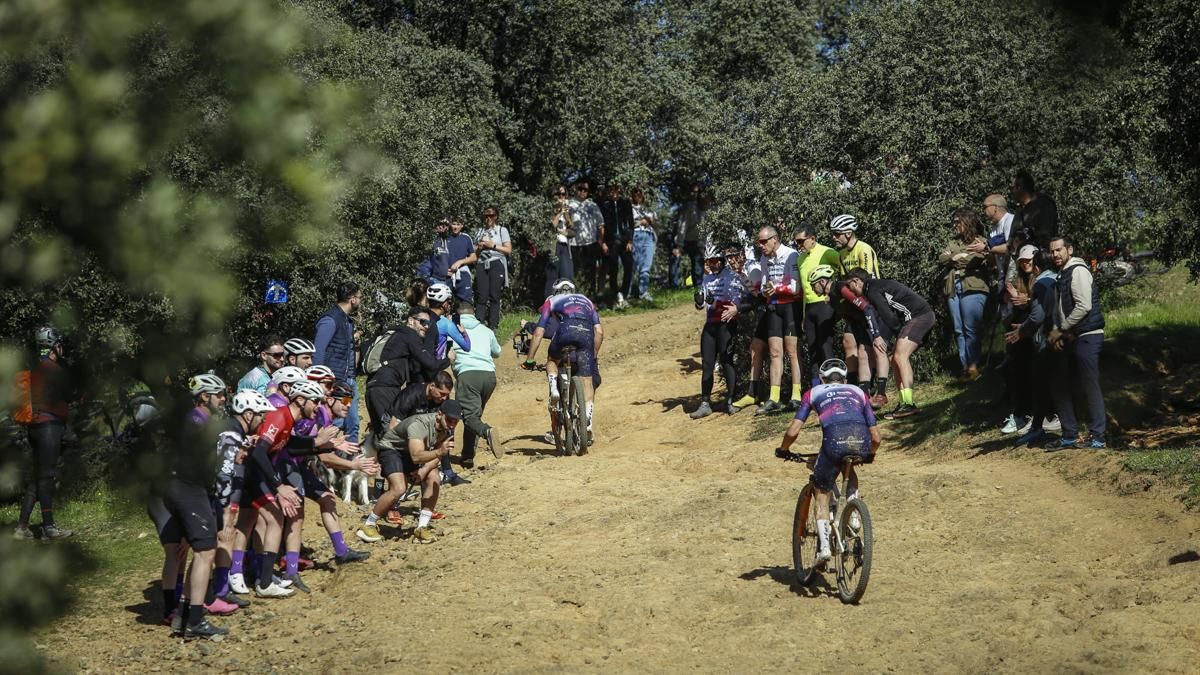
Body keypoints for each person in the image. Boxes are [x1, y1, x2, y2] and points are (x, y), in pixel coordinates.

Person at [774, 359, 881, 563]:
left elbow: (793, 430)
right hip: (860, 439)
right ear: (845, 379)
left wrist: (783, 449)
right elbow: (876, 437)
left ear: (821, 379)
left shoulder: (813, 393)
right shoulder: (859, 392)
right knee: (848, 466)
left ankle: (824, 547)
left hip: (833, 441)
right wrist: (870, 454)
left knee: (821, 492)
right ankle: (854, 512)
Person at [148, 373, 230, 639]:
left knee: (196, 551)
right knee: (206, 552)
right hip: (188, 488)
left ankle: (183, 614)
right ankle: (195, 620)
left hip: (184, 487)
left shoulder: (196, 420)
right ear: (204, 397)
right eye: (219, 394)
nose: (223, 399)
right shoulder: (197, 420)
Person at [357, 400, 463, 545]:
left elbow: (437, 455)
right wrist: (439, 452)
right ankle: (368, 524)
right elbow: (417, 455)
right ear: (439, 414)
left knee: (434, 478)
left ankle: (422, 528)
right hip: (391, 450)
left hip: (409, 454)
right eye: (449, 420)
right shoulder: (419, 425)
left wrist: (424, 469)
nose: (452, 424)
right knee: (399, 488)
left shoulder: (447, 429)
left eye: (455, 421)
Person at [844, 268, 935, 419]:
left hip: (919, 316)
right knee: (894, 359)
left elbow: (889, 317)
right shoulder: (874, 287)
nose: (850, 291)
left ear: (856, 281)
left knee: (900, 356)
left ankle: (908, 404)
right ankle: (904, 402)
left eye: (849, 286)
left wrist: (898, 335)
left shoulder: (872, 290)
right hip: (917, 317)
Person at [1046, 236, 1107, 450]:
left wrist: (1061, 330)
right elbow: (1060, 309)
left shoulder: (1078, 270)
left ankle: (1098, 437)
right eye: (1052, 251)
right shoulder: (1061, 274)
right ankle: (1070, 435)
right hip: (1074, 336)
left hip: (1088, 335)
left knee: (1089, 385)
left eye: (1059, 250)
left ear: (1069, 250)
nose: (1055, 254)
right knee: (1060, 383)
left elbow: (1083, 307)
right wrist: (1059, 332)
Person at [731, 224, 799, 415]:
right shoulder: (763, 258)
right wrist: (765, 289)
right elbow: (762, 287)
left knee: (792, 352)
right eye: (758, 242)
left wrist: (775, 288)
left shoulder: (791, 255)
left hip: (790, 306)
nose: (760, 245)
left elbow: (796, 287)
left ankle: (796, 396)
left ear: (774, 240)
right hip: (773, 307)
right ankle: (774, 397)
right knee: (775, 352)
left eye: (763, 241)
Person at [525, 281, 604, 441]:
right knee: (587, 381)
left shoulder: (552, 301)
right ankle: (587, 423)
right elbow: (599, 331)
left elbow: (539, 332)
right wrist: (593, 355)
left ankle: (554, 388)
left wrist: (530, 359)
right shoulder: (587, 301)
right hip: (585, 335)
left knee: (552, 360)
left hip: (565, 332)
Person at [15, 326, 74, 540]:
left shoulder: (35, 369)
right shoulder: (54, 369)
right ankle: (50, 528)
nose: (61, 348)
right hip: (50, 427)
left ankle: (21, 528)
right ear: (53, 346)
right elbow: (68, 395)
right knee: (47, 477)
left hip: (34, 427)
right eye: (59, 344)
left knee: (38, 477)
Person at [830, 215, 888, 406]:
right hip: (855, 305)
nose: (834, 238)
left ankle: (880, 391)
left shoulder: (864, 249)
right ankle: (860, 389)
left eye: (837, 234)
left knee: (872, 348)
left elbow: (868, 279)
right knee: (854, 344)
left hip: (871, 303)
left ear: (848, 233)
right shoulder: (841, 255)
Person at [1003, 246, 1059, 445]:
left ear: (1036, 265)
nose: (1026, 264)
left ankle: (1046, 421)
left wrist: (1022, 326)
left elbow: (1038, 314)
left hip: (1043, 337)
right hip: (1032, 337)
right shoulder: (1040, 280)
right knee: (1031, 378)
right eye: (1022, 260)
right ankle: (1036, 421)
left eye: (1029, 260)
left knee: (1044, 380)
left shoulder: (1043, 282)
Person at [364, 306, 447, 435]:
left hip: (373, 388)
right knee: (390, 435)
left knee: (379, 436)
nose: (426, 327)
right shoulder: (410, 335)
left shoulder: (395, 332)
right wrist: (449, 360)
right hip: (385, 388)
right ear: (411, 321)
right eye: (423, 322)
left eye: (429, 324)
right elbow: (430, 364)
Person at [690, 245, 751, 419]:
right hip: (710, 326)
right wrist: (699, 302)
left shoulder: (733, 276)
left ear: (722, 261)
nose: (712, 264)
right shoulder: (707, 279)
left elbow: (741, 301)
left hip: (726, 324)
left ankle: (731, 400)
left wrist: (717, 303)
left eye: (715, 260)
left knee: (726, 361)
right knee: (708, 364)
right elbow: (702, 305)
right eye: (709, 261)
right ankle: (705, 402)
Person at [939, 208, 992, 381]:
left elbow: (979, 259)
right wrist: (959, 256)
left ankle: (973, 366)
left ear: (967, 222)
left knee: (971, 328)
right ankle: (965, 367)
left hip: (973, 286)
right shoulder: (952, 242)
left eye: (957, 222)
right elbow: (942, 258)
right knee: (958, 330)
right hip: (953, 287)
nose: (954, 225)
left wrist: (956, 258)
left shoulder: (981, 241)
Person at [450, 304, 502, 467]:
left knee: (469, 416)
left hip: (467, 375)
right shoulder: (486, 330)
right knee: (473, 415)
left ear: (457, 315)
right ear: (474, 314)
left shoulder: (452, 329)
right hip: (489, 376)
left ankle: (487, 431)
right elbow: (497, 352)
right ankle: (467, 456)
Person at [793, 222, 842, 390]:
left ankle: (835, 386)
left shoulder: (826, 252)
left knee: (825, 346)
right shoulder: (800, 258)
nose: (799, 245)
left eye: (801, 241)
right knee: (812, 350)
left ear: (812, 239)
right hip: (810, 309)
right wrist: (804, 314)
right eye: (796, 242)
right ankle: (816, 389)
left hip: (825, 305)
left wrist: (835, 293)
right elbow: (805, 289)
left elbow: (844, 266)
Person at [314, 281, 361, 443]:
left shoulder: (347, 321)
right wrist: (319, 381)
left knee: (352, 422)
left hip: (348, 382)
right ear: (352, 299)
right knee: (336, 422)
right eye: (359, 297)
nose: (360, 301)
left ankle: (351, 462)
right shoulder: (330, 320)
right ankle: (329, 457)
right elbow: (319, 351)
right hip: (335, 383)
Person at [474, 206, 512, 330]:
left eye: (491, 215)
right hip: (481, 263)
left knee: (495, 296)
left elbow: (508, 250)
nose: (488, 218)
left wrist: (493, 245)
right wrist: (479, 248)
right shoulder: (479, 231)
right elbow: (473, 252)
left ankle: (493, 326)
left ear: (496, 217)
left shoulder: (502, 230)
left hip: (496, 262)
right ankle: (478, 325)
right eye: (486, 216)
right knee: (481, 296)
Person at [599, 183, 635, 309]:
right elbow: (601, 225)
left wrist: (630, 240)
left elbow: (631, 223)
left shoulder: (625, 203)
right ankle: (615, 295)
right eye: (611, 189)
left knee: (629, 265)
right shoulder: (604, 205)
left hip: (624, 240)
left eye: (616, 189)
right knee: (613, 269)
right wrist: (602, 242)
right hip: (611, 241)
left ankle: (624, 294)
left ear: (619, 190)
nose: (614, 192)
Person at [568, 179, 604, 297]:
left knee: (591, 273)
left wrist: (600, 242)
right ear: (575, 189)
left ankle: (591, 298)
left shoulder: (592, 205)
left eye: (585, 190)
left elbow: (600, 225)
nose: (582, 192)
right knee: (576, 272)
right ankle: (576, 298)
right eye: (580, 189)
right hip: (574, 244)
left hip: (591, 243)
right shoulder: (569, 204)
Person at [670, 184, 708, 288]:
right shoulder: (688, 207)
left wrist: (702, 243)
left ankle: (699, 287)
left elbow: (703, 228)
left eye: (697, 192)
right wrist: (678, 245)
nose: (694, 194)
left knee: (698, 263)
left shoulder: (705, 208)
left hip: (697, 241)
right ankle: (674, 286)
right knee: (675, 258)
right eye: (692, 192)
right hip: (684, 240)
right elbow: (683, 225)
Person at [1010, 169, 1058, 249]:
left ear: (1020, 187)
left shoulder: (1044, 204)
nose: (1011, 191)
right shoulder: (1020, 210)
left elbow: (1046, 235)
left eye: (1012, 188)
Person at [424, 283, 472, 360]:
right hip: (435, 366)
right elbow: (467, 347)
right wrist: (464, 332)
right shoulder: (446, 324)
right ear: (445, 304)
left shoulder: (419, 316)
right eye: (449, 302)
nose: (450, 305)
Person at [543, 186, 576, 298]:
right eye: (558, 195)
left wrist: (565, 232)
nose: (561, 197)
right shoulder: (547, 210)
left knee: (568, 276)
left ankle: (568, 303)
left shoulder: (567, 211)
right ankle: (549, 305)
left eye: (563, 194)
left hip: (565, 246)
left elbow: (573, 230)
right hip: (553, 246)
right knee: (552, 277)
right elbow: (551, 226)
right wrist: (559, 213)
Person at [630, 186, 657, 302]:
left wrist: (646, 220)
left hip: (649, 236)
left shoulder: (648, 208)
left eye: (640, 192)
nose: (638, 195)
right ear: (632, 195)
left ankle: (643, 292)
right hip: (635, 236)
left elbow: (653, 221)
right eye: (635, 192)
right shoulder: (628, 208)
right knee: (632, 266)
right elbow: (629, 223)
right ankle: (628, 293)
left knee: (646, 267)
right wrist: (641, 221)